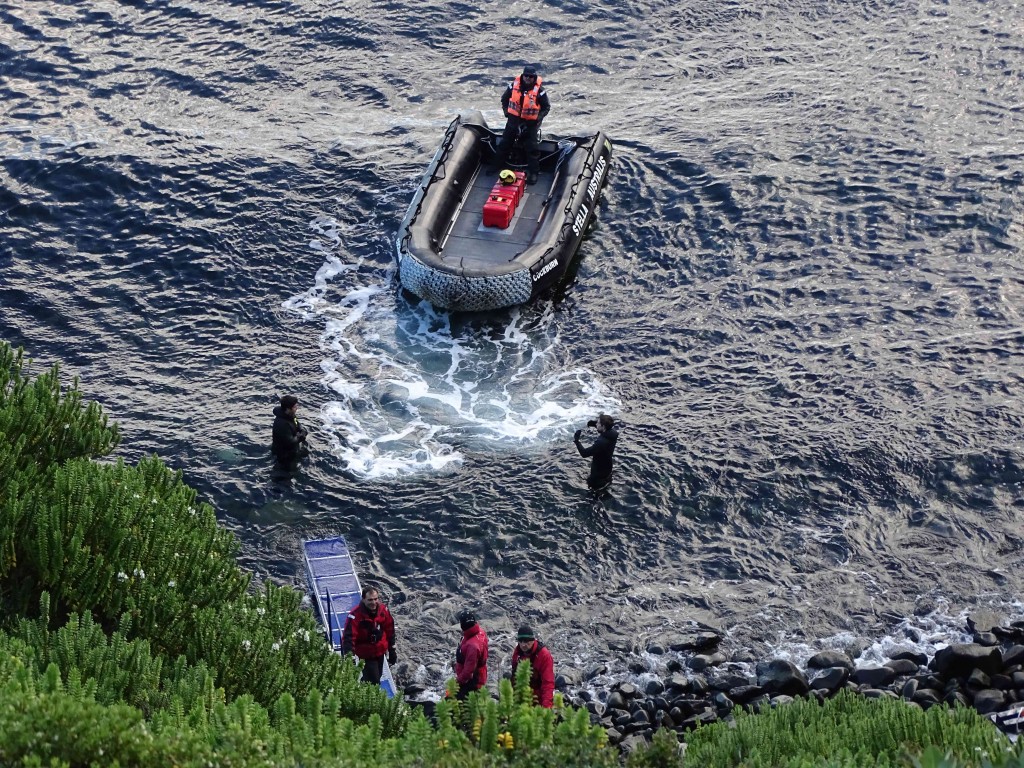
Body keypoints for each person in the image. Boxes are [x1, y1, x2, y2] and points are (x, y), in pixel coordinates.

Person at [494, 65, 550, 185]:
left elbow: (546, 107)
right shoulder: (513, 86)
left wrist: (537, 119)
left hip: (530, 123)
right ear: (522, 76)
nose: (528, 78)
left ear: (534, 77)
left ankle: (533, 172)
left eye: (531, 76)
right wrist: (507, 113)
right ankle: (496, 166)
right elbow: (504, 100)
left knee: (532, 149)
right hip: (513, 121)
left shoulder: (540, 91)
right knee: (504, 144)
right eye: (526, 76)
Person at [341, 587, 397, 685]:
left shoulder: (383, 610)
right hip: (365, 653)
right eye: (370, 600)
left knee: (376, 676)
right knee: (374, 680)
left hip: (380, 650)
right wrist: (350, 656)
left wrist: (392, 649)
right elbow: (349, 637)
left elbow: (390, 629)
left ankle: (363, 688)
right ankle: (366, 695)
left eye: (376, 599)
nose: (374, 602)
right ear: (363, 599)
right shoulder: (355, 616)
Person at [510, 625, 554, 708]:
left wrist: (546, 708)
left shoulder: (544, 655)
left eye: (526, 641)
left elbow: (548, 684)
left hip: (537, 697)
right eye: (520, 641)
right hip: (522, 695)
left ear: (533, 640)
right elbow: (514, 676)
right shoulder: (517, 652)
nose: (523, 645)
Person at [573, 414, 619, 489]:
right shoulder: (613, 433)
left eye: (598, 423)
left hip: (597, 478)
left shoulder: (601, 442)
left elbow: (584, 454)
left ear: (603, 426)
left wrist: (577, 441)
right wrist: (593, 424)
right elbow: (602, 428)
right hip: (607, 471)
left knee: (593, 498)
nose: (596, 424)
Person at [454, 609, 489, 699]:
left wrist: (455, 683)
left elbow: (468, 673)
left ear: (462, 626)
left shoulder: (472, 646)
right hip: (480, 673)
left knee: (450, 700)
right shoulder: (480, 632)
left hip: (473, 681)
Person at [271, 394, 308, 465]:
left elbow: (297, 423)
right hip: (284, 455)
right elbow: (290, 442)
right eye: (294, 407)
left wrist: (302, 430)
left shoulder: (290, 415)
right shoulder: (282, 424)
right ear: (288, 409)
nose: (297, 408)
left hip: (293, 448)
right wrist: (300, 436)